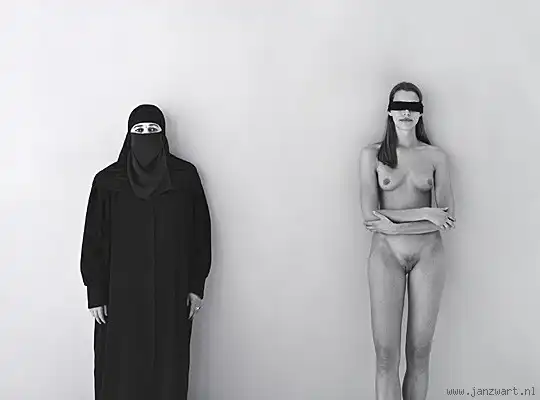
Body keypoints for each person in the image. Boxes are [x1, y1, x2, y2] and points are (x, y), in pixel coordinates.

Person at [80, 104, 212, 400]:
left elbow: (200, 233)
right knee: (121, 371)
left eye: (153, 129)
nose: (146, 135)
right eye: (139, 130)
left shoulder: (184, 177)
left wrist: (196, 286)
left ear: (163, 135)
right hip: (120, 297)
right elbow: (94, 239)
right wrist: (96, 292)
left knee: (167, 369)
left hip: (171, 293)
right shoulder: (108, 181)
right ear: (128, 135)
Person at [360, 82, 455, 400]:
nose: (405, 112)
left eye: (413, 107)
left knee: (420, 352)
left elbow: (446, 218)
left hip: (428, 256)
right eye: (400, 106)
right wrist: (425, 213)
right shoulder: (372, 155)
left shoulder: (436, 156)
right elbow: (370, 216)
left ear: (420, 113)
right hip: (385, 256)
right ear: (389, 111)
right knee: (385, 356)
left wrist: (395, 225)